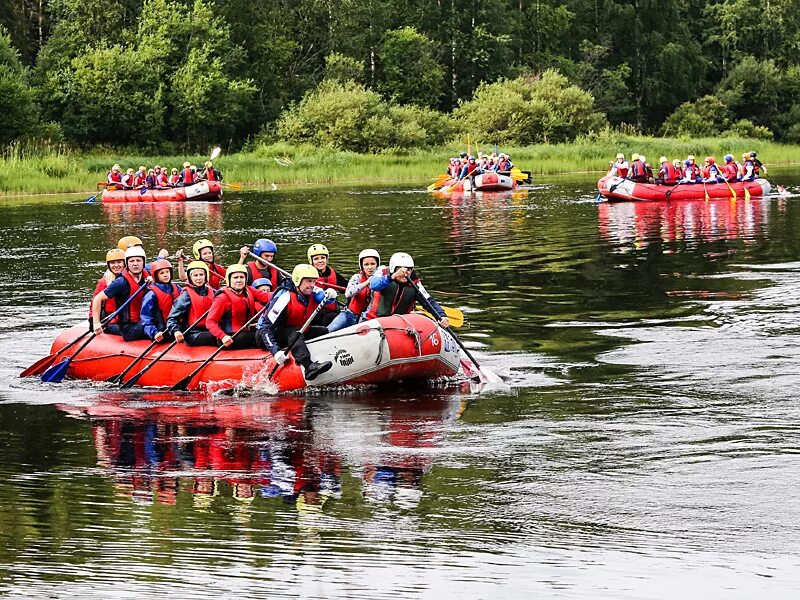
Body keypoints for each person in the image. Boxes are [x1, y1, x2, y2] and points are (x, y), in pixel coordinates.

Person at [257, 264, 336, 381]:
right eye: (308, 281)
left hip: (293, 329)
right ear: (298, 281)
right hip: (268, 334)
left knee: (323, 331)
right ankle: (309, 366)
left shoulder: (311, 291)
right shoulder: (284, 297)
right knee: (295, 332)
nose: (312, 285)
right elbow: (264, 327)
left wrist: (330, 296)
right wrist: (275, 351)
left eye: (314, 281)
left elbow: (324, 297)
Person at [365, 252, 449, 328]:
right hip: (375, 321)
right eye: (400, 269)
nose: (405, 273)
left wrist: (441, 315)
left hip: (400, 325)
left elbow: (429, 302)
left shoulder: (415, 282)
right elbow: (374, 285)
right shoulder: (383, 272)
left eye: (409, 269)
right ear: (393, 268)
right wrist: (391, 277)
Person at [91, 246, 151, 341]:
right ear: (127, 264)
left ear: (143, 262)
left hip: (142, 321)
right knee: (156, 327)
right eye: (132, 261)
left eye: (138, 260)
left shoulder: (147, 277)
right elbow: (97, 298)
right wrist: (95, 323)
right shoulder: (120, 282)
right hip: (129, 327)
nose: (135, 264)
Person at [206, 264, 273, 349]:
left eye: (242, 277)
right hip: (230, 338)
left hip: (246, 333)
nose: (239, 280)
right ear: (229, 280)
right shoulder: (222, 298)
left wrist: (281, 292)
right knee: (262, 334)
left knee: (268, 330)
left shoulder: (248, 290)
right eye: (235, 277)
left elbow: (265, 296)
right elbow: (210, 321)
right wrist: (222, 336)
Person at [166, 261, 218, 346]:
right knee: (218, 337)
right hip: (192, 333)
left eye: (201, 275)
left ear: (206, 276)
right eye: (195, 275)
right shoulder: (186, 295)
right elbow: (171, 318)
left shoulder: (213, 292)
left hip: (211, 329)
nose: (199, 278)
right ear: (190, 278)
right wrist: (176, 331)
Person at [327, 249, 380, 332]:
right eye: (366, 264)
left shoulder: (381, 281)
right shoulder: (357, 278)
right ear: (362, 266)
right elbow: (348, 294)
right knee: (330, 330)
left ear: (377, 265)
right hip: (349, 315)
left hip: (366, 319)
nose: (370, 267)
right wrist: (366, 283)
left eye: (372, 264)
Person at [140, 259, 181, 342]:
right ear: (156, 275)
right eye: (162, 273)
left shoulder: (177, 288)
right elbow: (145, 317)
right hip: (161, 332)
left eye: (167, 272)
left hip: (177, 329)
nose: (165, 275)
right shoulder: (151, 294)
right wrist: (154, 333)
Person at [307, 243, 347, 324]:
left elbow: (347, 289)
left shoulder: (333, 274)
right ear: (311, 261)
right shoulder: (306, 275)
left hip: (332, 312)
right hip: (313, 315)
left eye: (323, 258)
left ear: (327, 259)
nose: (320, 261)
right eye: (316, 259)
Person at [89, 248, 125, 333]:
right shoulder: (104, 282)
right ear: (109, 265)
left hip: (126, 320)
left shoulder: (131, 279)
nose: (116, 265)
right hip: (110, 321)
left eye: (119, 262)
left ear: (124, 263)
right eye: (112, 263)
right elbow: (95, 301)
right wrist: (93, 321)